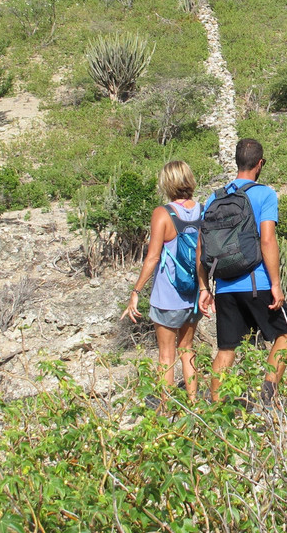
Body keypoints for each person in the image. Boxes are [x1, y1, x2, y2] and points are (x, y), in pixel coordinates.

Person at [198, 138, 287, 406]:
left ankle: (215, 409)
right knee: (285, 335)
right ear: (260, 163)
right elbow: (267, 240)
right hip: (257, 282)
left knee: (226, 350)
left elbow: (201, 245)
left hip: (225, 285)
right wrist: (276, 283)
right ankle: (268, 396)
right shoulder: (264, 194)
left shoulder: (214, 197)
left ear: (237, 162)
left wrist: (204, 287)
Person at [121, 160, 202, 403]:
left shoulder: (162, 214)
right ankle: (194, 404)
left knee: (166, 356)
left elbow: (153, 257)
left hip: (167, 296)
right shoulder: (203, 210)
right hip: (195, 294)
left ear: (167, 182)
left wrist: (136, 290)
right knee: (187, 351)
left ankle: (165, 410)